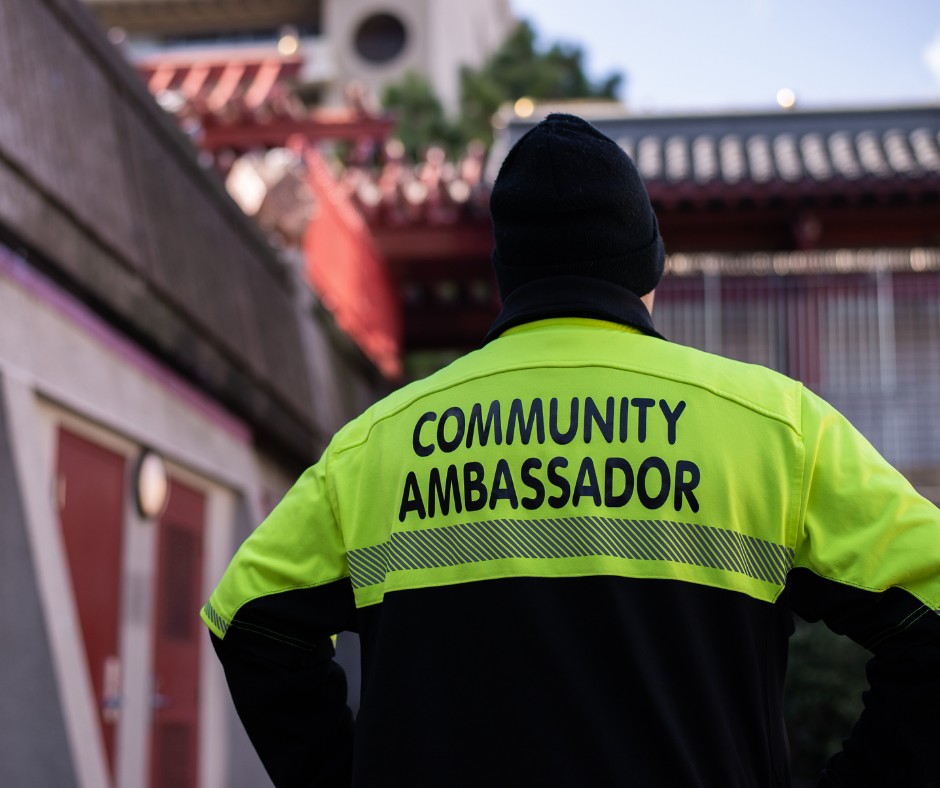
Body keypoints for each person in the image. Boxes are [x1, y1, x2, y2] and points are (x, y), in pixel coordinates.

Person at [202, 113, 940, 787]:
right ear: (647, 272)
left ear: (507, 276)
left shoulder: (375, 445)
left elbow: (247, 615)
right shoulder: (777, 427)